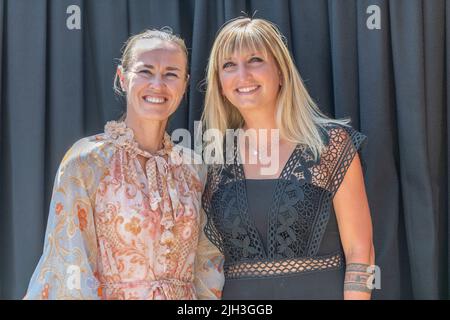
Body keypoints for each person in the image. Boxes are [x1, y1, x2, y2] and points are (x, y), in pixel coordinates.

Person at [25, 29, 224, 300]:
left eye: (171, 73)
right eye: (145, 71)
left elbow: (207, 264)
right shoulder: (87, 162)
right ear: (122, 77)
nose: (157, 83)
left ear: (185, 84)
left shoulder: (194, 168)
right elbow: (70, 268)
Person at [201, 17, 375, 299]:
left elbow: (361, 250)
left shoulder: (330, 144)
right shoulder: (213, 159)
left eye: (255, 60)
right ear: (220, 84)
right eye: (229, 65)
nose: (242, 75)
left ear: (281, 72)